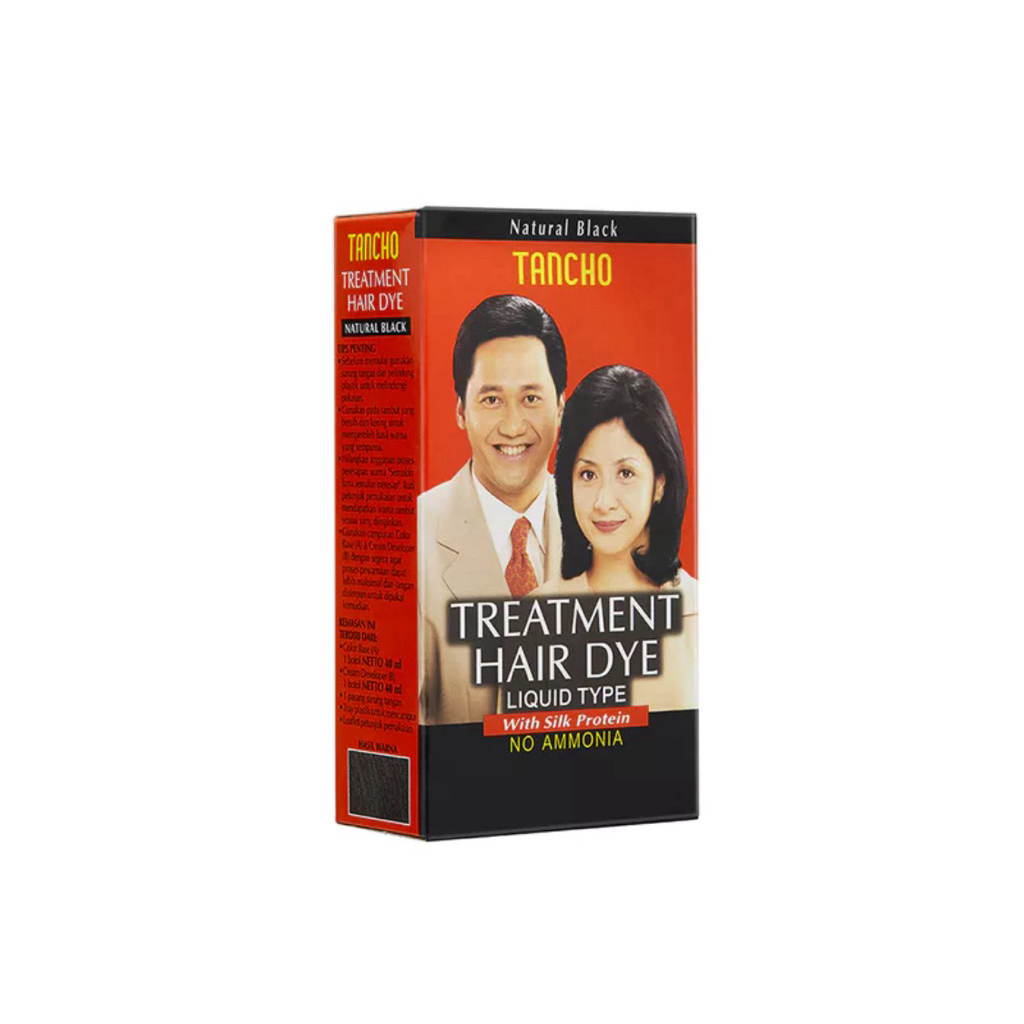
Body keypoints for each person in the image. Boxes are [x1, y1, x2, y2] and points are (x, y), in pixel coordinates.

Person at [418, 295, 567, 724]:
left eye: (532, 398)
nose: (514, 426)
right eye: (491, 400)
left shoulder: (608, 528)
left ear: (561, 406)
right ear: (461, 410)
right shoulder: (411, 538)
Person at [542, 365, 697, 711]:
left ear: (660, 483)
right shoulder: (533, 620)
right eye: (588, 474)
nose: (603, 501)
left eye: (625, 473)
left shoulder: (698, 614)